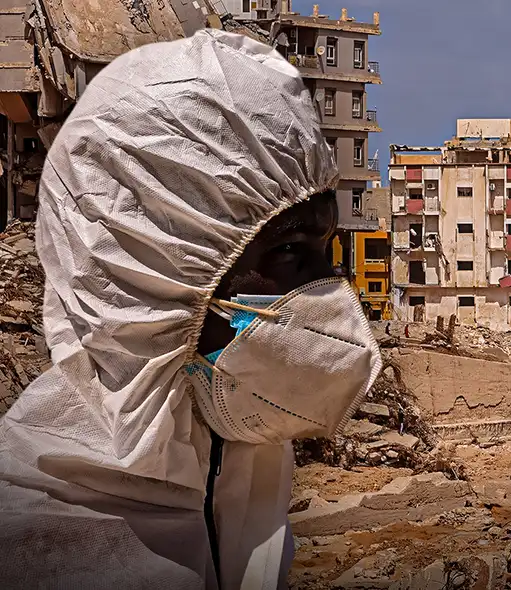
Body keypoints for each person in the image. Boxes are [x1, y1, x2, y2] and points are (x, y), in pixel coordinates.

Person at [0, 30, 382, 589]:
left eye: (327, 252)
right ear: (149, 272)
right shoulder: (37, 546)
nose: (331, 289)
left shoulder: (244, 459)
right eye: (289, 253)